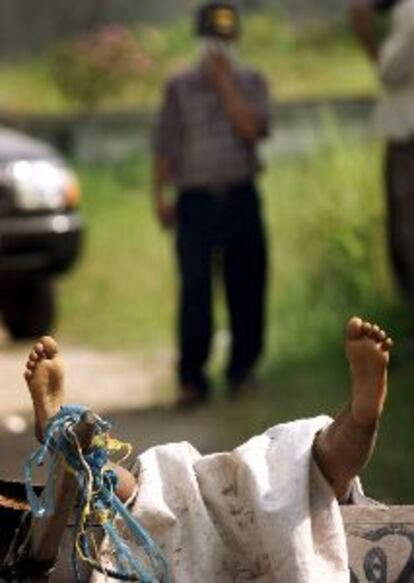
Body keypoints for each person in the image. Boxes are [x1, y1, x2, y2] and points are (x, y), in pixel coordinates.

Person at [24, 316, 392, 581]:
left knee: (312, 467)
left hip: (264, 498)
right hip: (259, 493)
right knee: (306, 467)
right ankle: (70, 444)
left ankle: (362, 415)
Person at [152, 1, 270, 404]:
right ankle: (192, 379)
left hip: (240, 196)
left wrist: (225, 86)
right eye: (211, 40)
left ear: (235, 40)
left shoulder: (252, 81)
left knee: (247, 286)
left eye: (225, 40)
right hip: (195, 201)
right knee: (196, 291)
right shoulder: (179, 86)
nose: (218, 49)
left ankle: (242, 372)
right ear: (199, 41)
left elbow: (253, 130)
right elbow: (165, 145)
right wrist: (159, 196)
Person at [351, 0, 414, 304]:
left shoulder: (411, 15)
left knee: (407, 231)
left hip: (408, 137)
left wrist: (365, 35)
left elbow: (389, 73)